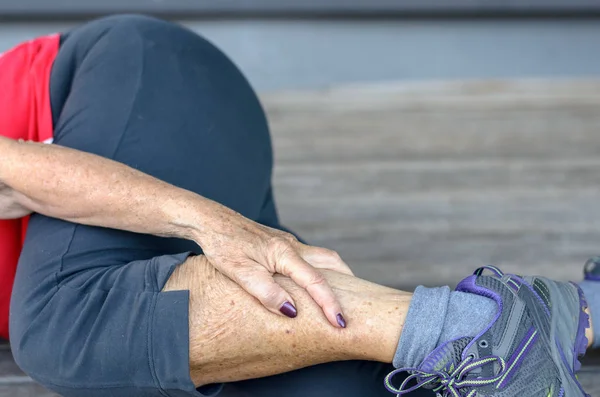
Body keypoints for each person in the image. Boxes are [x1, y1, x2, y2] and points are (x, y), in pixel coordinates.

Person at [0, 14, 596, 397]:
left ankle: (479, 327)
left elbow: (16, 175)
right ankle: (579, 310)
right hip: (145, 254)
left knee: (63, 325)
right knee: (333, 390)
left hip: (134, 85)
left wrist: (217, 227)